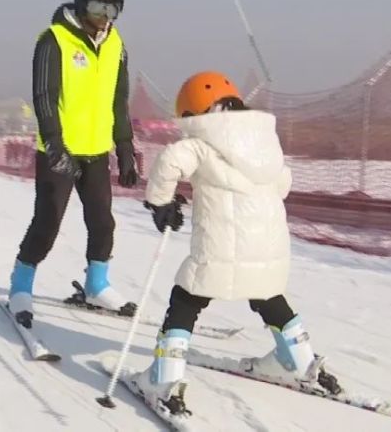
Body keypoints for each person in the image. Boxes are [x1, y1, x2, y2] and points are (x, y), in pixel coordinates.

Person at [134, 71, 335, 416]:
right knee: (267, 293)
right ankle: (299, 360)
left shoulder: (200, 140)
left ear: (191, 113)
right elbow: (283, 183)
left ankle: (164, 378)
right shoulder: (263, 140)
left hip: (221, 246)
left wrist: (161, 202)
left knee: (186, 297)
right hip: (269, 244)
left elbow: (169, 162)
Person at [7, 0, 140, 329]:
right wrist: (53, 143)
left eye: (112, 10)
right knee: (48, 222)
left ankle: (97, 284)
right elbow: (44, 97)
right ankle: (21, 285)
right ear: (81, 3)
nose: (104, 18)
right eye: (98, 7)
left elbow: (118, 100)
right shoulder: (54, 40)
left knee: (102, 222)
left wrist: (125, 148)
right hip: (60, 151)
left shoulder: (116, 45)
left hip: (96, 151)